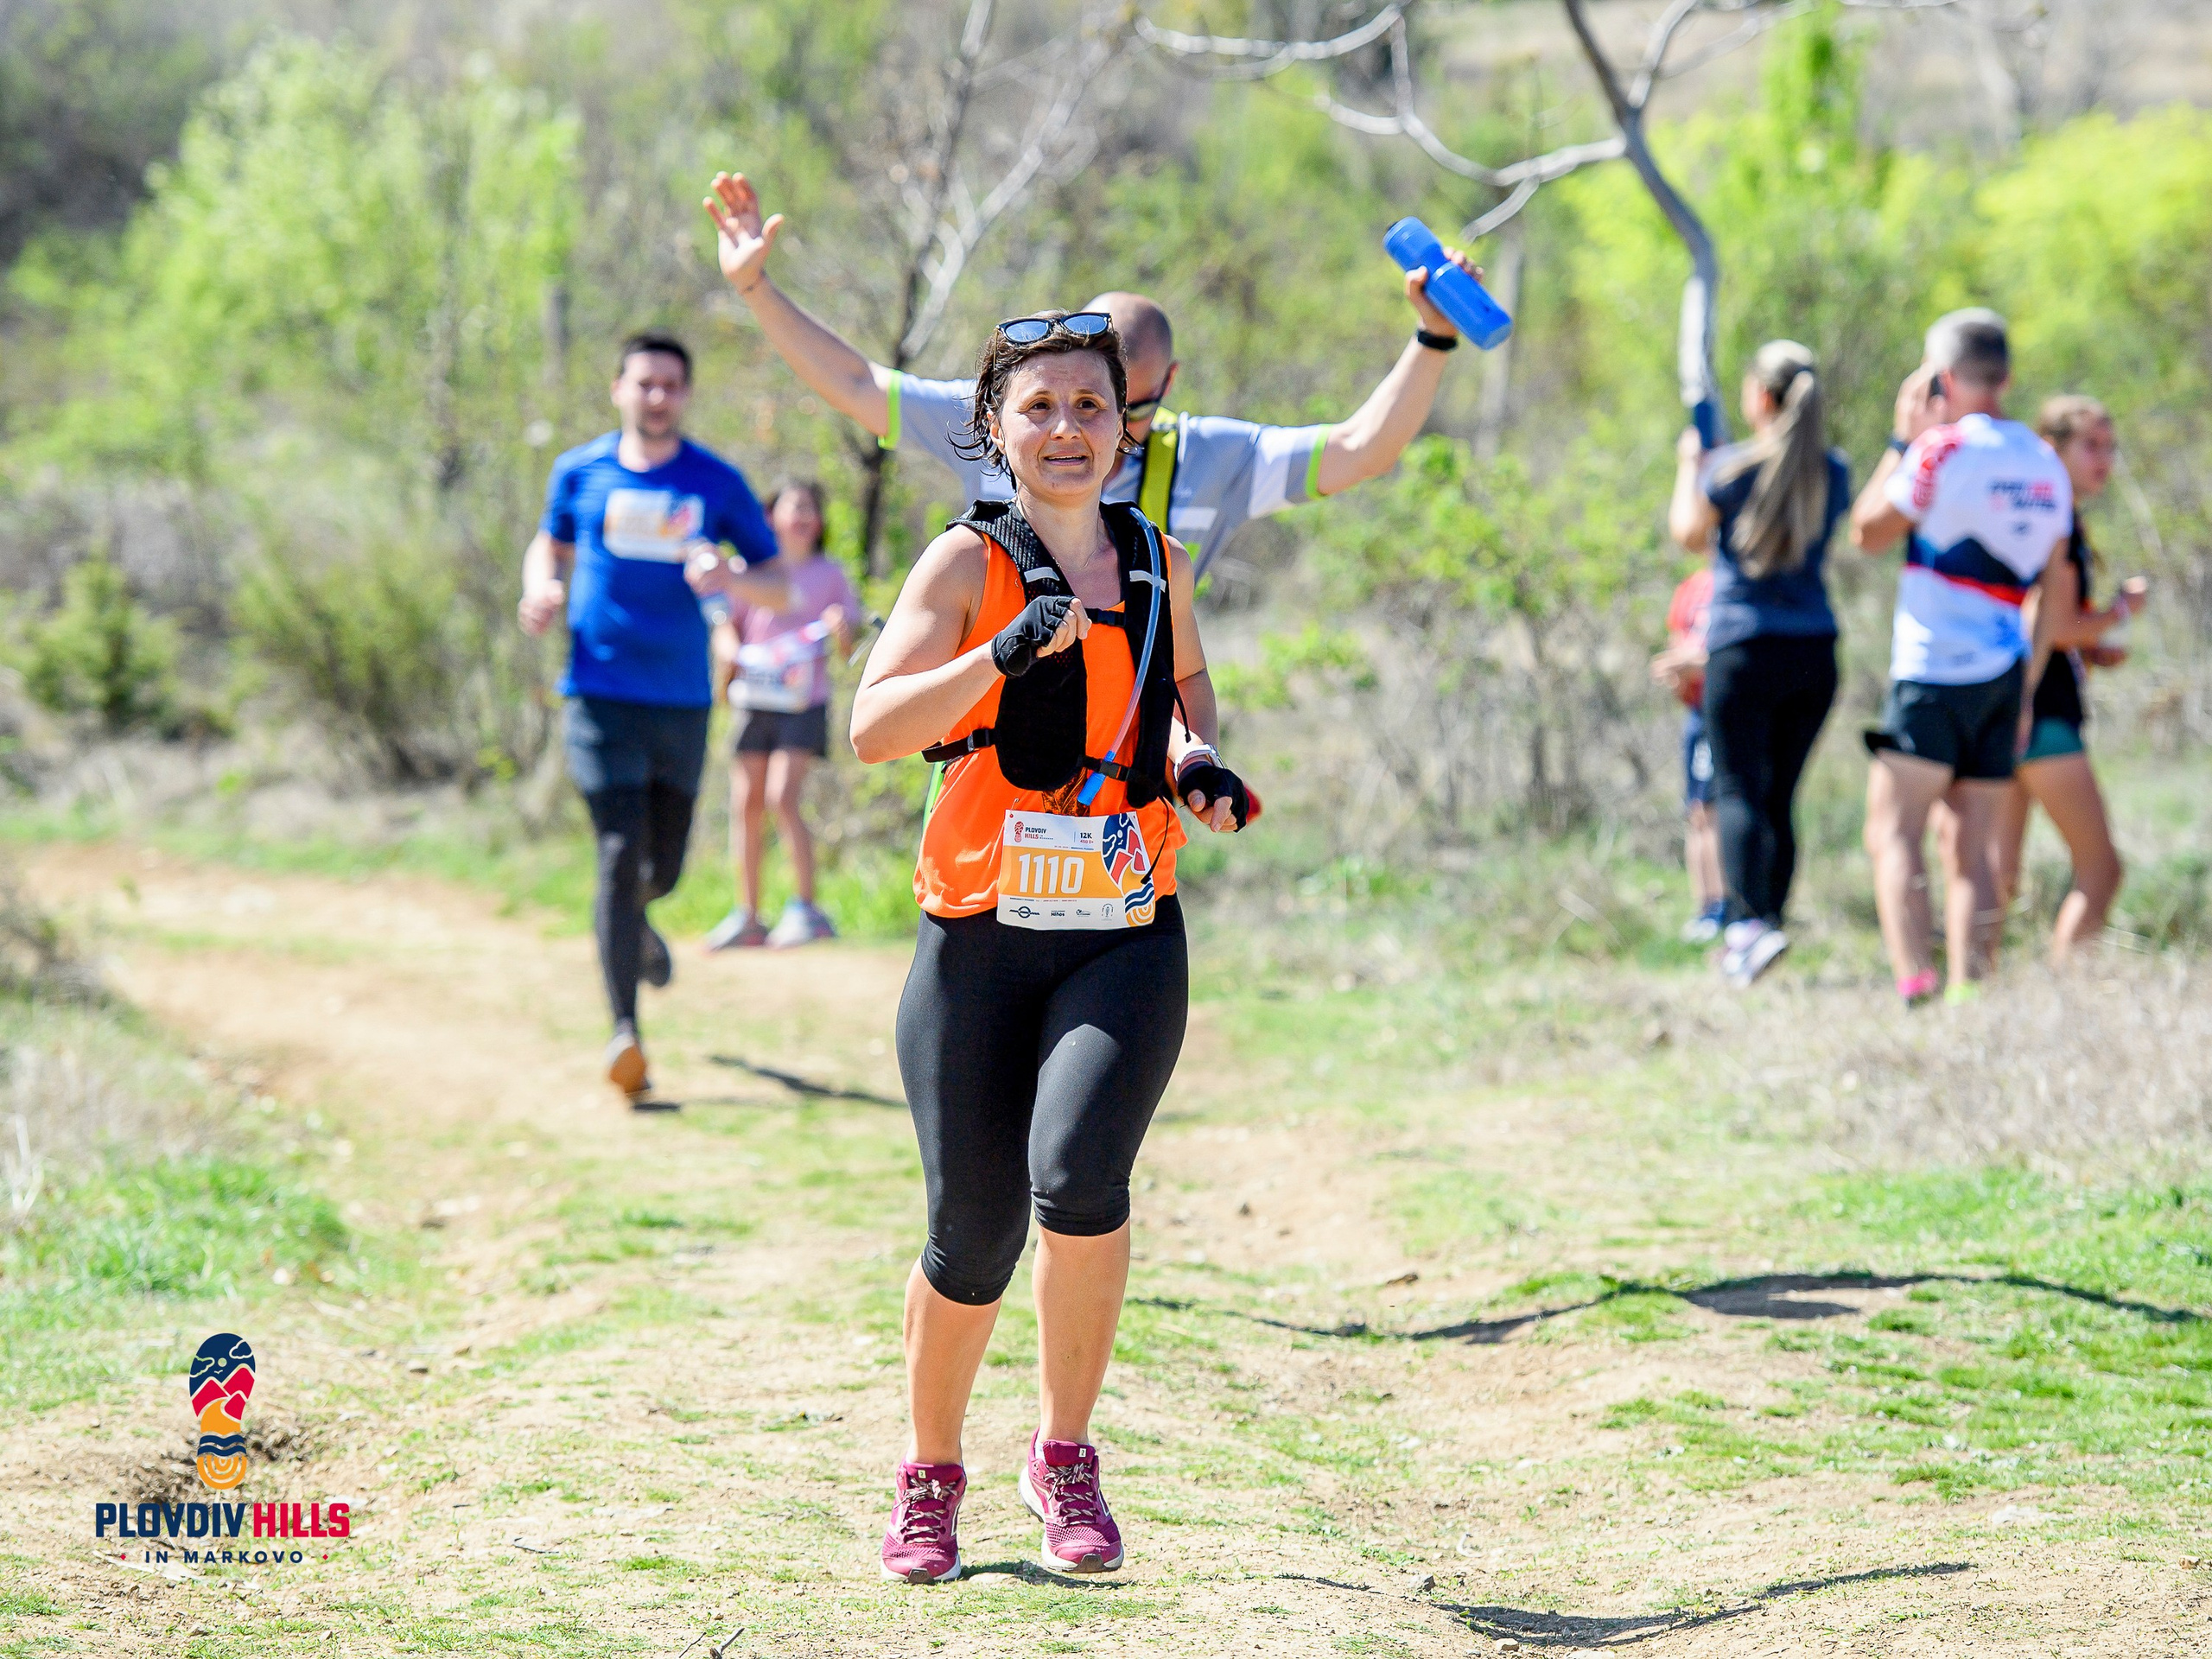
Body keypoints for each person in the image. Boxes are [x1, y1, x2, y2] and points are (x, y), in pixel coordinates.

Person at [848, 310, 1253, 1584]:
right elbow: (872, 728)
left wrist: (1192, 763)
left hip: (1123, 928)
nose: (1069, 430)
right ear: (995, 431)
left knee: (1078, 1180)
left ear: (1128, 426)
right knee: (972, 1231)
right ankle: (930, 1477)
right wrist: (1005, 648)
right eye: (1041, 409)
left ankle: (1065, 1455)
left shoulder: (1155, 560)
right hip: (977, 938)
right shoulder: (964, 565)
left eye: (1092, 406)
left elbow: (1176, 697)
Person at [702, 171, 1481, 579]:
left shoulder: (1210, 461)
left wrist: (1431, 340)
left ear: (1167, 384)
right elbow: (858, 386)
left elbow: (1360, 450)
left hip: (1133, 759)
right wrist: (754, 289)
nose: (1080, 431)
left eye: (1116, 408)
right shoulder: (999, 430)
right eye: (1068, 398)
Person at [518, 331, 791, 1101]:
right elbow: (549, 546)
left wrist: (731, 573)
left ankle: (636, 924)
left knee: (660, 869)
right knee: (615, 853)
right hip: (598, 694)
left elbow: (780, 585)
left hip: (681, 702)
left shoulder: (715, 482)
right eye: (645, 383)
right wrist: (540, 588)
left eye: (672, 384)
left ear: (687, 395)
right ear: (619, 390)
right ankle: (623, 1034)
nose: (658, 396)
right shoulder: (580, 471)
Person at [1847, 309, 2072, 1006]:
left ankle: (1916, 980)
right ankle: (1971, 988)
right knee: (1972, 847)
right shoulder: (2044, 460)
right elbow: (2054, 591)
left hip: (1933, 670)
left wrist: (1899, 439)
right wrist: (2029, 690)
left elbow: (1868, 533)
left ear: (1943, 377)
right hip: (2005, 672)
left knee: (1893, 832)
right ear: (2005, 376)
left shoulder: (1940, 449)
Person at [1668, 340, 1848, 987]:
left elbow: (1689, 533)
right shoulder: (1834, 471)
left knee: (1738, 790)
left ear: (1762, 399)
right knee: (1779, 797)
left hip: (1743, 646)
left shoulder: (1729, 469)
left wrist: (1690, 465)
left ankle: (1748, 927)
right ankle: (1768, 920)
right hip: (1815, 649)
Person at [1985, 395, 2147, 963]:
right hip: (2042, 713)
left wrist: (2090, 650)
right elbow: (2049, 622)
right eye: (2090, 446)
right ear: (2051, 448)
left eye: (2110, 446)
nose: (2103, 459)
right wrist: (2118, 614)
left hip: (2003, 705)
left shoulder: (2026, 511)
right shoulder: (2057, 516)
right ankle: (2068, 994)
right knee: (2101, 869)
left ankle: (1968, 989)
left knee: (1996, 875)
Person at [702, 479, 861, 950]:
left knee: (781, 798)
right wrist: (728, 661)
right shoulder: (751, 572)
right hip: (753, 700)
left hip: (803, 701)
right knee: (745, 802)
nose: (803, 516)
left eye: (812, 508)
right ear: (770, 517)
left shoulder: (829, 574)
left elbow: (848, 642)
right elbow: (725, 628)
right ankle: (748, 915)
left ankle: (805, 909)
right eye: (794, 507)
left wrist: (840, 631)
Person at [1650, 562, 1723, 942]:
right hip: (1697, 713)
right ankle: (1706, 906)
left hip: (1726, 709)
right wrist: (1676, 671)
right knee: (1697, 811)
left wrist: (1699, 663)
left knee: (1714, 811)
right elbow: (1678, 642)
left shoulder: (1743, 584)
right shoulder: (1691, 588)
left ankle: (1725, 906)